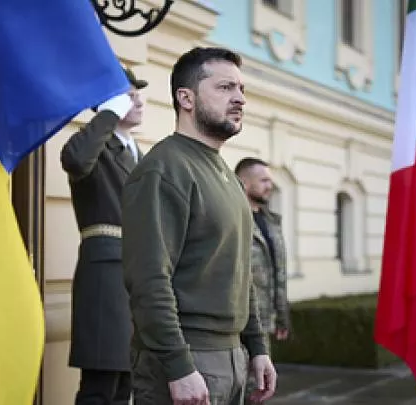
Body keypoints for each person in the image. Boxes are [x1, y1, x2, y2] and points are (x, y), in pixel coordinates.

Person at [121, 46, 277, 405]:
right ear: (186, 98)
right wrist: (178, 366)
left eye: (241, 89)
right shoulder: (163, 169)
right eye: (225, 87)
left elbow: (240, 273)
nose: (239, 99)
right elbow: (148, 280)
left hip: (233, 357)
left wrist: (257, 347)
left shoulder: (227, 174)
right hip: (187, 360)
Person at [60, 66, 148, 405]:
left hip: (138, 274)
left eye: (138, 94)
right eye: (128, 95)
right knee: (101, 384)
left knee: (126, 383)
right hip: (107, 274)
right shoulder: (95, 146)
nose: (138, 100)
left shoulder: (139, 153)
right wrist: (108, 114)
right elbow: (75, 160)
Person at [235, 158, 291, 404]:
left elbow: (279, 271)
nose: (270, 186)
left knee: (260, 388)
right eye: (264, 180)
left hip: (265, 322)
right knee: (243, 390)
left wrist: (282, 314)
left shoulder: (271, 221)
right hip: (240, 322)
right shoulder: (234, 218)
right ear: (244, 182)